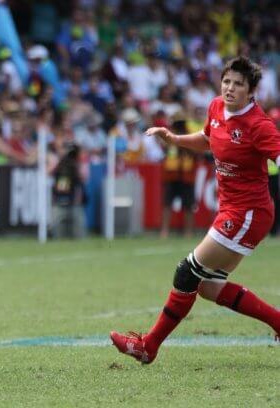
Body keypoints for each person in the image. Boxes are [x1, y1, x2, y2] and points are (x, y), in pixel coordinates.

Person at [110, 56, 280, 364]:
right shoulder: (216, 107)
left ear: (251, 91)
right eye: (226, 81)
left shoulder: (259, 125)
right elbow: (207, 138)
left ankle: (148, 346)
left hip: (248, 213)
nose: (229, 88)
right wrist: (174, 139)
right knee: (209, 287)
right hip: (233, 211)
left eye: (238, 84)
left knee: (186, 272)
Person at [159, 115, 197, 239]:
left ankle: (188, 232)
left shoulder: (190, 136)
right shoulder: (169, 136)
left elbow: (197, 152)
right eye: (177, 124)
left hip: (187, 175)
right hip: (171, 174)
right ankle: (164, 231)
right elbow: (164, 149)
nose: (179, 126)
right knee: (167, 204)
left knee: (188, 205)